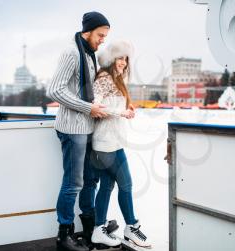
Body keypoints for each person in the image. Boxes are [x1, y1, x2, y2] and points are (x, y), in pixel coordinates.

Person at [48, 11, 117, 251]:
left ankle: (90, 230)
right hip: (72, 128)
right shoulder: (71, 52)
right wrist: (89, 108)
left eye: (105, 36)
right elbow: (54, 90)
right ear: (87, 30)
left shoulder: (89, 55)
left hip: (87, 128)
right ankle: (64, 236)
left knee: (90, 180)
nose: (102, 40)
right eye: (100, 35)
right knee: (73, 182)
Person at [90, 41, 151, 249]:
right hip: (106, 143)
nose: (123, 63)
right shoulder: (105, 77)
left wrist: (127, 105)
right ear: (111, 59)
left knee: (107, 186)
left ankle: (99, 229)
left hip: (112, 141)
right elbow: (95, 106)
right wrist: (121, 112)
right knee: (126, 184)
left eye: (126, 59)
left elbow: (112, 103)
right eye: (120, 58)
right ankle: (131, 227)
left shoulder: (116, 80)